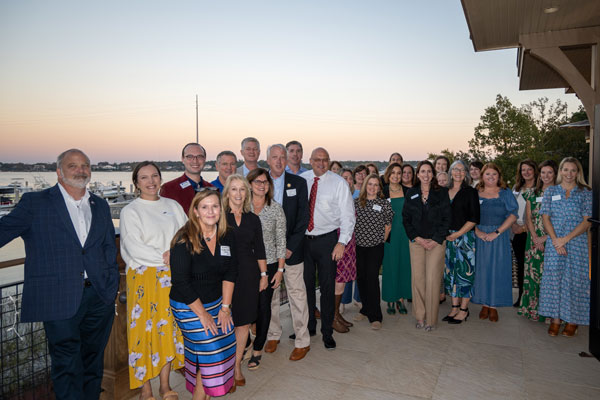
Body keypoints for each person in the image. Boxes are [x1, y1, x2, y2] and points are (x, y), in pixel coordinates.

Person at [0, 149, 119, 399]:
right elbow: (4, 231)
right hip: (58, 297)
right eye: (73, 165)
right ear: (59, 171)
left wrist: (110, 286)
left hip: (99, 296)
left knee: (93, 360)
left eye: (85, 165)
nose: (81, 170)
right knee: (66, 363)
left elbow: (109, 246)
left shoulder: (99, 204)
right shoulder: (35, 202)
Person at [120, 162, 186, 399]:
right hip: (144, 278)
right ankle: (145, 387)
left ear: (160, 178)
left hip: (173, 276)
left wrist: (176, 255)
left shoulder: (173, 205)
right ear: (136, 183)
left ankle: (165, 385)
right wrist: (166, 257)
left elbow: (187, 233)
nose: (151, 181)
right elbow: (133, 246)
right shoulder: (131, 211)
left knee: (169, 329)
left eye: (155, 176)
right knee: (143, 333)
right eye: (144, 177)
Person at [169, 190, 237, 399]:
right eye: (205, 207)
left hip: (217, 302)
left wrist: (225, 309)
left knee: (224, 348)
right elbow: (181, 282)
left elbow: (230, 272)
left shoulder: (227, 234)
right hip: (189, 306)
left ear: (221, 210)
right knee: (212, 355)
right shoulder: (184, 239)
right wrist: (203, 315)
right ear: (196, 211)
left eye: (215, 206)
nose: (210, 211)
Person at [301, 147, 356, 349]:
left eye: (325, 160)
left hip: (328, 242)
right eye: (317, 159)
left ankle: (327, 332)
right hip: (304, 242)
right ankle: (309, 326)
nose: (321, 163)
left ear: (329, 161)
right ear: (310, 160)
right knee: (305, 287)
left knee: (327, 288)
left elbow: (348, 216)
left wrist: (341, 242)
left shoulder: (339, 183)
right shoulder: (302, 180)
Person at [263, 144, 311, 361]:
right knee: (270, 295)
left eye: (283, 157)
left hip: (292, 251)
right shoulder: (259, 182)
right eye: (275, 157)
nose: (280, 161)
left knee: (297, 294)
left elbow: (303, 218)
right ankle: (273, 334)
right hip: (267, 252)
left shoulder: (299, 183)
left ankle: (302, 340)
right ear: (268, 160)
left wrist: (289, 246)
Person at [222, 174, 268, 385]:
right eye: (234, 189)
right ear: (227, 192)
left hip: (249, 275)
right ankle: (221, 369)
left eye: (242, 189)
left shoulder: (253, 219)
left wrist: (264, 274)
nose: (238, 193)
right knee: (225, 323)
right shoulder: (219, 217)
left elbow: (259, 249)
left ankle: (237, 365)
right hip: (223, 277)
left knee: (243, 324)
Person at [539, 157, 592, 337]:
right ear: (560, 171)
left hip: (576, 243)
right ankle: (555, 319)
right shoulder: (551, 191)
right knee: (554, 279)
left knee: (574, 280)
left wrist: (566, 239)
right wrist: (555, 240)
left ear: (578, 173)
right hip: (555, 242)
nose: (569, 174)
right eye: (566, 170)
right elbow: (545, 217)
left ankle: (573, 320)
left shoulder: (585, 193)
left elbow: (587, 222)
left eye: (573, 170)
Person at [402, 160, 451, 331]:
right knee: (418, 280)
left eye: (429, 171)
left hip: (436, 242)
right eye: (422, 171)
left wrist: (436, 239)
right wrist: (417, 238)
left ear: (433, 174)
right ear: (418, 174)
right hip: (416, 242)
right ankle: (420, 317)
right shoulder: (411, 193)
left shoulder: (442, 193)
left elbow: (447, 219)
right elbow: (406, 219)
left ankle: (431, 320)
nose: (426, 175)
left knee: (432, 279)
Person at [246, 168, 287, 369]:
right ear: (250, 184)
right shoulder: (241, 208)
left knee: (264, 308)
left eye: (265, 182)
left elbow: (281, 240)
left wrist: (280, 270)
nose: (262, 185)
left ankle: (258, 348)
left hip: (270, 265)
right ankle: (244, 342)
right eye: (257, 182)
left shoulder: (275, 209)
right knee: (245, 307)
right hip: (245, 266)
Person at [472, 163, 518, 322]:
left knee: (497, 270)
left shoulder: (505, 193)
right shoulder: (475, 193)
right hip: (479, 236)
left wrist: (496, 233)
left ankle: (493, 306)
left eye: (494, 174)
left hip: (499, 237)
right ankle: (484, 303)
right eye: (487, 174)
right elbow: (468, 215)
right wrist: (478, 232)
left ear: (499, 176)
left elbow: (513, 215)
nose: (491, 177)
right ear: (482, 176)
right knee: (482, 271)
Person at [518, 160, 557, 321]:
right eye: (543, 173)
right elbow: (528, 217)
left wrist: (546, 238)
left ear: (555, 174)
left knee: (550, 278)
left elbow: (562, 221)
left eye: (549, 172)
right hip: (533, 241)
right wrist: (535, 237)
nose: (546, 176)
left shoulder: (560, 193)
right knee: (533, 276)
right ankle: (532, 310)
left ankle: (550, 314)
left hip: (554, 240)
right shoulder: (532, 193)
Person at [353, 174, 393, 330]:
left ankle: (376, 316)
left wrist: (381, 241)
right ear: (365, 185)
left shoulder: (384, 204)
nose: (372, 187)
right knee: (361, 278)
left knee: (372, 279)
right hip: (358, 247)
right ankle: (365, 309)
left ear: (379, 188)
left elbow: (388, 226)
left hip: (375, 247)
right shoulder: (356, 203)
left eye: (376, 185)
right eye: (370, 184)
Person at [442, 160, 480, 324]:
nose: (458, 172)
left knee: (465, 274)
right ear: (450, 172)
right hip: (448, 239)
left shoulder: (470, 192)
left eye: (461, 170)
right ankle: (454, 308)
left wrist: (457, 234)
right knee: (450, 274)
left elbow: (474, 218)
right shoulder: (444, 191)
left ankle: (464, 310)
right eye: (455, 169)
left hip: (464, 238)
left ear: (466, 173)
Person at [381, 163, 411, 315]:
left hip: (405, 234)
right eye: (393, 172)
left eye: (399, 173)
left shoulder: (408, 191)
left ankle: (401, 299)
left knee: (404, 266)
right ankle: (390, 299)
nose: (396, 176)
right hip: (389, 234)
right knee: (391, 266)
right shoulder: (383, 191)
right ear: (388, 174)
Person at [511, 159, 538, 307]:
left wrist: (524, 228)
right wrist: (514, 225)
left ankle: (534, 299)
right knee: (521, 266)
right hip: (517, 233)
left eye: (529, 169)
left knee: (532, 267)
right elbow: (510, 208)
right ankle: (522, 297)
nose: (526, 172)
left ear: (534, 171)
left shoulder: (539, 189)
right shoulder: (517, 188)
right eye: (523, 170)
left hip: (533, 232)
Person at [160, 143, 214, 213]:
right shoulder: (169, 189)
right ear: (182, 159)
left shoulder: (212, 189)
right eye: (190, 156)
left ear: (205, 159)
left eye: (200, 156)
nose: (195, 161)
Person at [337, 168, 359, 317]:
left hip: (351, 243)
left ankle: (337, 312)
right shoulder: (335, 198)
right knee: (337, 278)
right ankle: (335, 312)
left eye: (350, 178)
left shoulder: (353, 198)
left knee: (344, 277)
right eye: (345, 178)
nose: (348, 181)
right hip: (338, 242)